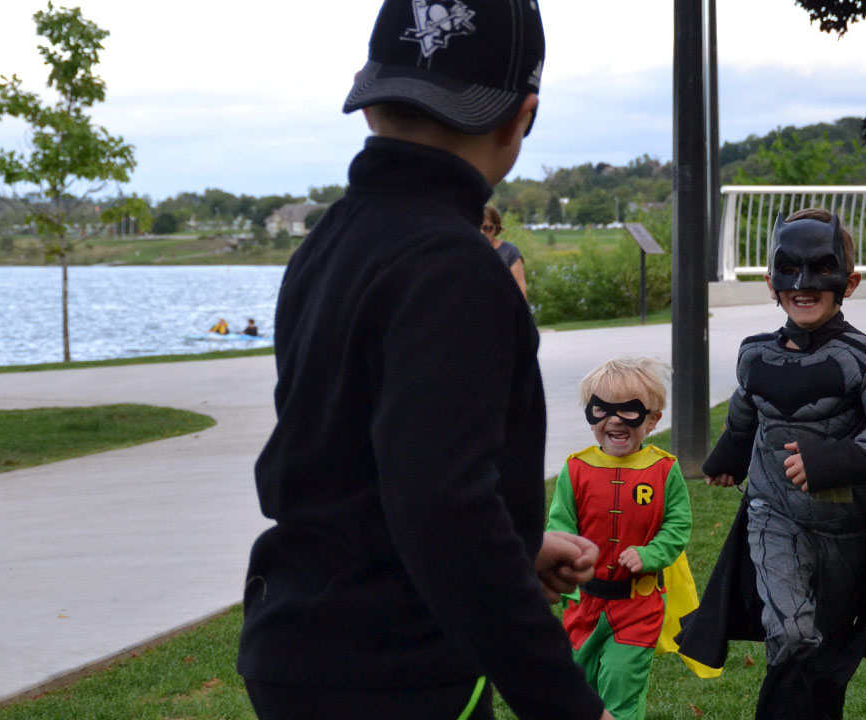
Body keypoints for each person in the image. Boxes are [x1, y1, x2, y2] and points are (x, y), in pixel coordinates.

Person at [237, 2, 611, 719]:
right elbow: (443, 508)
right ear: (520, 119)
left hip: (299, 643)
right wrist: (567, 705)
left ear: (372, 104)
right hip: (397, 666)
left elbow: (362, 465)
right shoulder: (457, 268)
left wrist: (519, 545)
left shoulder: (329, 244)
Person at [677, 208, 866, 720]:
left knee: (828, 653)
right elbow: (746, 410)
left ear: (848, 282)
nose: (803, 285)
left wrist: (834, 460)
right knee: (790, 633)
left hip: (844, 531)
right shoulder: (755, 355)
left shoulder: (865, 360)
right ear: (771, 282)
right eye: (789, 271)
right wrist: (729, 455)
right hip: (775, 515)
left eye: (820, 270)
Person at [546, 357, 695, 720]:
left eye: (629, 411)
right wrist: (564, 566)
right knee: (580, 688)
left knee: (620, 682)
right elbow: (560, 525)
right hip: (584, 605)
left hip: (637, 605)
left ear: (653, 419)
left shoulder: (664, 470)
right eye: (601, 409)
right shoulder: (575, 468)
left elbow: (678, 524)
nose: (613, 420)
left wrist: (652, 554)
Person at [482, 204, 527, 299]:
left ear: (496, 228)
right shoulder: (468, 252)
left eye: (488, 228)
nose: (483, 233)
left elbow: (521, 289)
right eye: (479, 228)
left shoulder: (510, 251)